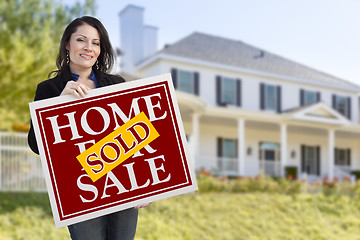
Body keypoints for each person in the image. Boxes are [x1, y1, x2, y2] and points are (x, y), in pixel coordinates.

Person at [27, 16, 149, 240]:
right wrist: (58, 104)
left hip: (123, 184)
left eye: (95, 42)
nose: (88, 48)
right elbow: (35, 144)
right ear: (67, 44)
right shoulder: (49, 89)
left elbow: (136, 137)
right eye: (81, 40)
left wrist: (143, 186)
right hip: (80, 189)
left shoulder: (116, 84)